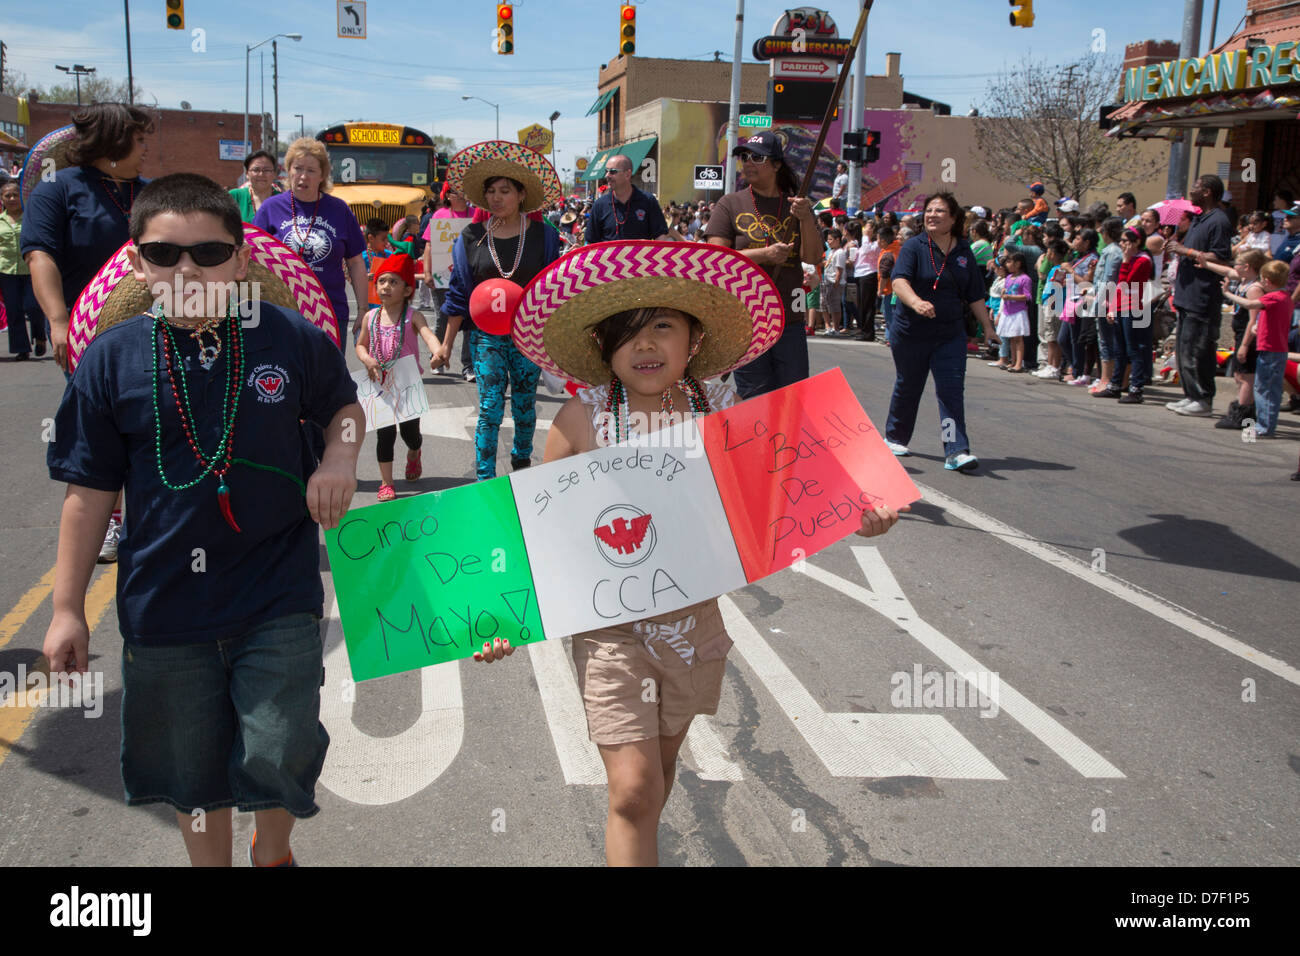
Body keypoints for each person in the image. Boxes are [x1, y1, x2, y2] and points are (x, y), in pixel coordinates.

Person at [480, 238, 907, 866]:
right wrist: (500, 615)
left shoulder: (722, 408)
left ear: (694, 340)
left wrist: (858, 512)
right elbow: (531, 528)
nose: (646, 344)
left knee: (659, 775)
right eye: (628, 332)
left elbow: (786, 491)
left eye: (663, 326)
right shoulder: (583, 416)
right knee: (632, 790)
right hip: (610, 631)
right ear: (603, 347)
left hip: (692, 625)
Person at [42, 172, 362, 867]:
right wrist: (68, 608)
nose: (187, 268)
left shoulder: (289, 336)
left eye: (209, 254)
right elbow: (86, 492)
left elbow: (344, 408)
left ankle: (271, 852)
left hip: (278, 591)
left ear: (241, 258)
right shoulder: (109, 359)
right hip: (164, 605)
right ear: (137, 262)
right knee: (191, 773)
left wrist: (338, 462)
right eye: (164, 254)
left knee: (280, 745)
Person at [22, 103, 153, 564]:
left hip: (157, 329)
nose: (145, 148)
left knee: (157, 426)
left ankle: (154, 520)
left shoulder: (150, 192)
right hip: (88, 336)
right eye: (138, 140)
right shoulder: (58, 190)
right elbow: (40, 256)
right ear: (113, 142)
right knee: (102, 433)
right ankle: (109, 524)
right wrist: (58, 321)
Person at [438, 140, 564, 480]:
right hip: (485, 339)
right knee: (490, 409)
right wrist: (447, 344)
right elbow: (458, 294)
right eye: (491, 191)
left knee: (524, 409)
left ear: (521, 194)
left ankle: (522, 468)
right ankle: (484, 480)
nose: (496, 198)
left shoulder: (544, 236)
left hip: (527, 339)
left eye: (505, 191)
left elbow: (555, 290)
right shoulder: (470, 237)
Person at [884, 192, 999, 471]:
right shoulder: (913, 246)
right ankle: (895, 437)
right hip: (911, 331)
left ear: (954, 218)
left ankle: (956, 449)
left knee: (950, 391)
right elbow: (899, 282)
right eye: (929, 210)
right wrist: (916, 303)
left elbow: (974, 294)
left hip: (949, 334)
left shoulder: (963, 251)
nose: (932, 215)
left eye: (940, 211)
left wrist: (988, 327)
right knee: (909, 384)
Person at [704, 130, 821, 397]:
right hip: (748, 319)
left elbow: (812, 258)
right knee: (756, 398)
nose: (747, 163)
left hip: (789, 318)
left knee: (793, 397)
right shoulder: (730, 203)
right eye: (744, 157)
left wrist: (805, 219)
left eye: (757, 158)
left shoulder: (797, 204)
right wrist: (764, 255)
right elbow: (715, 258)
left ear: (777, 165)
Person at [254, 137, 367, 350]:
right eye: (297, 168)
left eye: (311, 170)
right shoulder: (270, 209)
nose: (303, 176)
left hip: (330, 312)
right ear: (288, 170)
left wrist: (362, 309)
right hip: (282, 312)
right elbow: (251, 259)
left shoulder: (339, 209)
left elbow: (355, 263)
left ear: (323, 175)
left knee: (328, 380)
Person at [355, 253, 441, 500]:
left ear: (406, 290)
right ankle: (386, 482)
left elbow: (428, 335)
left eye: (393, 282)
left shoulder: (412, 316)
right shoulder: (370, 318)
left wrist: (437, 351)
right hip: (380, 384)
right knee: (385, 435)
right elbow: (360, 346)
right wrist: (367, 359)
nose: (386, 287)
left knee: (409, 434)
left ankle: (414, 451)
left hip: (407, 383)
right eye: (382, 281)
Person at [1164, 175, 1233, 417]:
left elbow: (1222, 257)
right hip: (1185, 295)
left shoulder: (1219, 221)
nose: (1191, 191)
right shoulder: (1198, 219)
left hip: (1202, 298)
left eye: (1196, 187)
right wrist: (1175, 244)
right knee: (1184, 349)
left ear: (1208, 192)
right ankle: (1191, 395)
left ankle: (1203, 398)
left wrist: (1188, 251)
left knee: (1198, 350)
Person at [1222, 259, 1292, 438]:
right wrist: (1257, 328)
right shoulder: (1286, 298)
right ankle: (1266, 425)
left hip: (1270, 350)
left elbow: (1249, 305)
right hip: (1277, 349)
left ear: (1267, 281)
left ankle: (1264, 427)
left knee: (1264, 389)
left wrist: (1228, 293)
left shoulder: (1273, 297)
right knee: (1270, 389)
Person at [1198, 248, 1266, 427]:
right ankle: (1244, 410)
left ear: (1247, 266)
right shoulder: (1243, 280)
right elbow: (1226, 271)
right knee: (1239, 375)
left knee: (1246, 377)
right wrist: (1206, 264)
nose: (1234, 267)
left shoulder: (1254, 289)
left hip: (1247, 335)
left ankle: (1242, 414)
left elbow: (1253, 320)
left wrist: (1244, 345)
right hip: (1239, 333)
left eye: (1237, 264)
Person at [423, 183, 476, 380]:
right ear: (447, 195)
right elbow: (429, 245)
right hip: (442, 277)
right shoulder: (439, 215)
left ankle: (468, 366)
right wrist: (427, 272)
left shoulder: (476, 214)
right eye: (455, 192)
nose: (460, 195)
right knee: (442, 318)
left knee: (470, 322)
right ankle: (437, 357)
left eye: (463, 191)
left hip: (469, 277)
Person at [1097, 228, 1155, 403]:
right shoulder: (1131, 258)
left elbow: (1125, 282)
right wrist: (1112, 308)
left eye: (1125, 240)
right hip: (1121, 306)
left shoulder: (1143, 260)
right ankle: (1115, 385)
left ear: (1136, 242)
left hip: (1134, 307)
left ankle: (1136, 388)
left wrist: (1125, 260)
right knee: (1119, 349)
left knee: (1134, 349)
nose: (1122, 244)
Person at [2, 180, 46, 360]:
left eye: (14, 195)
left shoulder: (31, 216)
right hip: (6, 271)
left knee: (33, 306)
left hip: (31, 269)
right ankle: (22, 348)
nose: (12, 198)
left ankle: (40, 336)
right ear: (2, 199)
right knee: (13, 310)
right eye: (7, 195)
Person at [586, 153, 669, 243]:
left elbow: (660, 236)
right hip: (608, 257)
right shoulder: (599, 205)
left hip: (639, 257)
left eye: (612, 172)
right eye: (606, 171)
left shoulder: (648, 201)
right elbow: (591, 241)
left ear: (627, 174)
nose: (607, 176)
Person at [996, 252, 1030, 372]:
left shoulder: (1025, 279)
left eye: (1010, 262)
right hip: (1008, 310)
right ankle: (1013, 361)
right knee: (1011, 337)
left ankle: (1019, 363)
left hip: (1018, 311)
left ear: (1018, 263)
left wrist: (1010, 297)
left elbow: (1027, 296)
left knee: (1018, 338)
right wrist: (1004, 293)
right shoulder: (1009, 278)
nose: (1007, 264)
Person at [229, 150, 281, 223]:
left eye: (267, 170)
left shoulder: (283, 201)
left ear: (274, 174)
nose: (261, 174)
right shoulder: (234, 196)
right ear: (247, 173)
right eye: (256, 170)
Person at [853, 219, 880, 341]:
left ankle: (868, 332)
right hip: (860, 274)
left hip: (869, 274)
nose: (865, 230)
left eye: (868, 228)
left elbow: (867, 251)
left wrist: (865, 237)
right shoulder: (864, 242)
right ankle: (863, 329)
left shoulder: (875, 243)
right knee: (861, 304)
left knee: (867, 305)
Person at [362, 218, 390, 319]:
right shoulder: (361, 257)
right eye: (383, 239)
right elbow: (351, 278)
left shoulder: (389, 256)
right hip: (367, 308)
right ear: (371, 238)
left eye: (387, 238)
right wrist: (365, 277)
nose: (387, 242)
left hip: (388, 306)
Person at [820, 227, 846, 335]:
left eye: (830, 239)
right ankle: (828, 326)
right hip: (826, 280)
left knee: (834, 305)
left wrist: (836, 282)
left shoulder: (840, 252)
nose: (828, 242)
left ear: (837, 240)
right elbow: (827, 264)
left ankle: (836, 328)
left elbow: (839, 269)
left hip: (834, 282)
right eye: (828, 239)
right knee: (823, 303)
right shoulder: (832, 252)